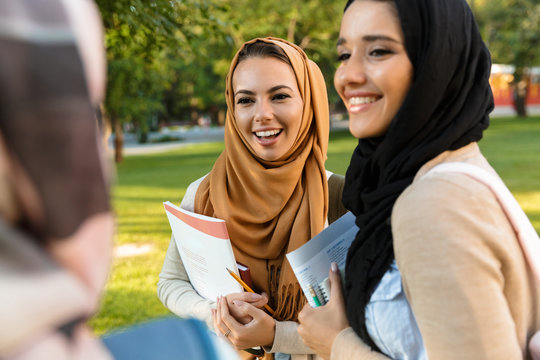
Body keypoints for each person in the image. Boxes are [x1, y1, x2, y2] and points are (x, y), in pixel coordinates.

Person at [297, 0, 540, 359]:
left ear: (436, 62)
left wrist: (338, 346)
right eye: (345, 54)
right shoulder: (451, 169)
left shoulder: (432, 204)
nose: (347, 76)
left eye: (378, 51)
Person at [157, 37, 347, 360]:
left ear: (309, 103)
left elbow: (361, 325)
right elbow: (170, 282)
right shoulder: (204, 195)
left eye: (280, 96)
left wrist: (275, 336)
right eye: (246, 100)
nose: (262, 114)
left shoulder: (341, 199)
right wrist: (216, 313)